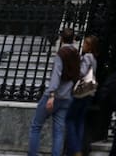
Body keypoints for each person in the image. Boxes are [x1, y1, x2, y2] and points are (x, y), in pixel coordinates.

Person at [28, 28, 80, 156]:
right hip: (67, 97)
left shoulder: (61, 54)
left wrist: (51, 95)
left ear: (61, 39)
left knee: (36, 126)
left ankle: (32, 154)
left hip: (55, 96)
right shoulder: (76, 54)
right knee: (58, 131)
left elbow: (56, 75)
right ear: (73, 39)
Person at [63, 34, 98, 156]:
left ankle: (75, 149)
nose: (82, 46)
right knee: (80, 120)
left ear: (89, 47)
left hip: (80, 92)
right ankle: (79, 147)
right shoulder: (94, 58)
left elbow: (81, 72)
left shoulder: (87, 56)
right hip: (89, 91)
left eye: (84, 44)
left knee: (70, 119)